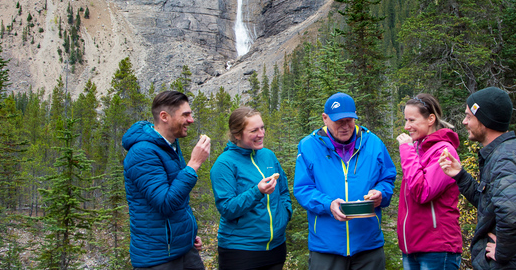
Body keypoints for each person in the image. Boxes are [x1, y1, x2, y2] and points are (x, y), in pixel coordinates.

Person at [438, 87, 516, 270]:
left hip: (513, 265)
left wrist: (503, 251)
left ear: (485, 120)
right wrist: (461, 176)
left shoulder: (505, 158)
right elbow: (490, 204)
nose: (464, 122)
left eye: (469, 116)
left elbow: (511, 214)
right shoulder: (505, 151)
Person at [294, 92, 397, 270]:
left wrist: (381, 193)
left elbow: (387, 179)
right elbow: (303, 189)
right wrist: (328, 204)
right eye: (339, 121)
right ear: (325, 119)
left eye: (349, 120)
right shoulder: (308, 146)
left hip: (368, 245)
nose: (345, 126)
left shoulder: (373, 143)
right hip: (326, 246)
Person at [122, 90, 212, 270]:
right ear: (164, 116)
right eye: (185, 115)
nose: (191, 120)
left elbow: (178, 199)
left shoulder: (169, 146)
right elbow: (165, 203)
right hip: (159, 258)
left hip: (183, 249)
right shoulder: (142, 153)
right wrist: (193, 164)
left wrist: (188, 232)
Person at [210, 106, 292, 270]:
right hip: (240, 251)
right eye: (254, 130)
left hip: (276, 248)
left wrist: (285, 214)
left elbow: (283, 191)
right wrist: (257, 192)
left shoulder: (268, 156)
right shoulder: (224, 164)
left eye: (262, 128)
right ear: (237, 134)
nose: (261, 134)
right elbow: (227, 208)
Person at [397, 93, 463, 270]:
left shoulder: (444, 151)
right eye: (406, 120)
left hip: (437, 247)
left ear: (430, 119)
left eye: (412, 120)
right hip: (413, 246)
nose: (406, 126)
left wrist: (406, 151)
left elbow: (422, 192)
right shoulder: (417, 149)